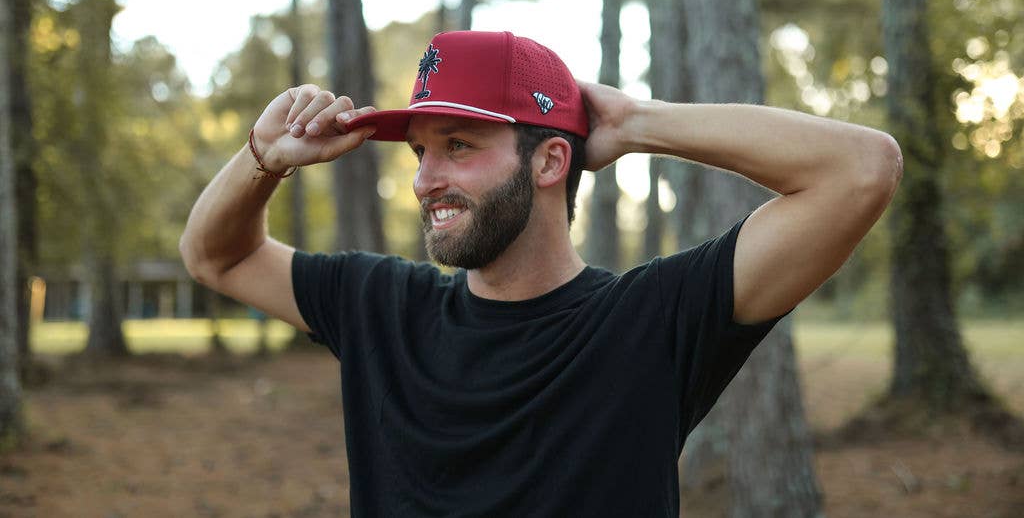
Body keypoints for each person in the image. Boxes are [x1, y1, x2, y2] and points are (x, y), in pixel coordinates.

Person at [179, 30, 901, 516]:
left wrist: (636, 122)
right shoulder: (380, 307)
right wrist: (262, 159)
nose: (425, 179)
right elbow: (216, 256)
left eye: (458, 145)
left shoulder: (651, 321)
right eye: (421, 151)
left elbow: (862, 169)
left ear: (551, 160)